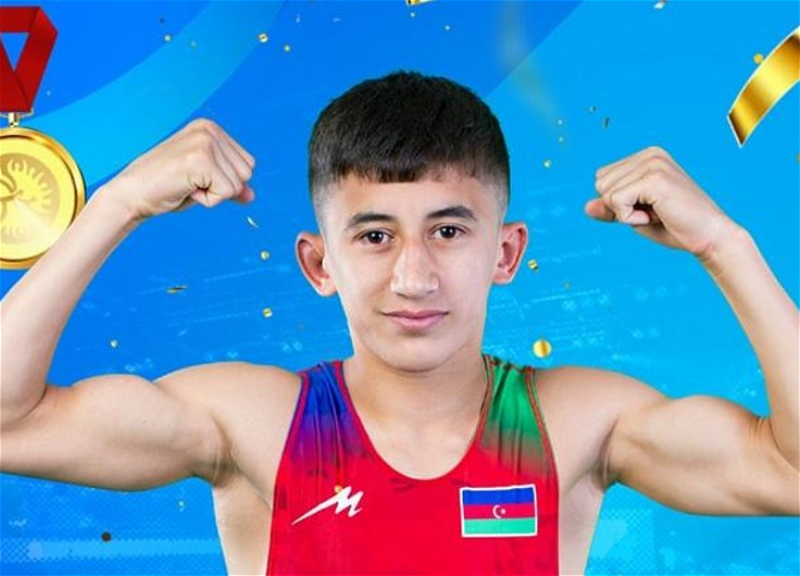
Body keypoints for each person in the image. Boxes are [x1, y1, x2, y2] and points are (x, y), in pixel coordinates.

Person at [0, 71, 797, 576]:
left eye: (448, 230)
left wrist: (724, 245)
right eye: (375, 236)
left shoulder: (576, 422)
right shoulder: (256, 423)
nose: (414, 277)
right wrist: (118, 203)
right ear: (319, 264)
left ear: (505, 253)